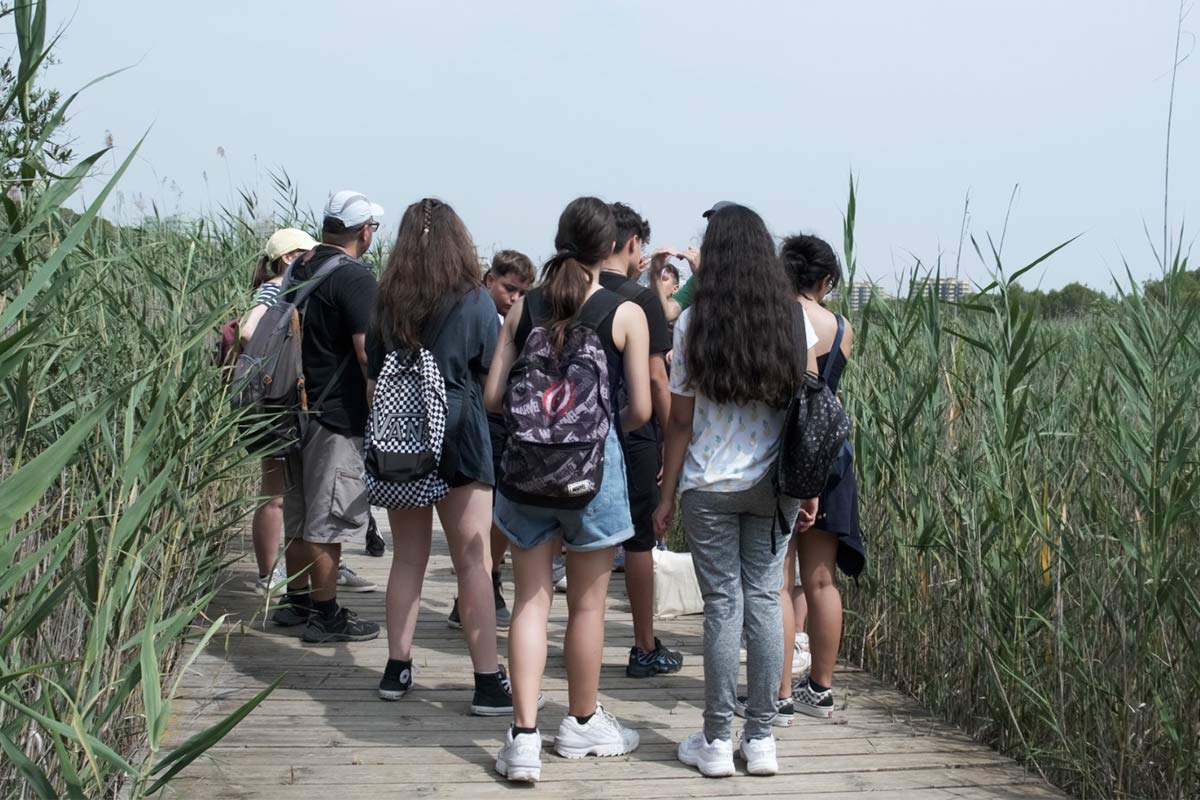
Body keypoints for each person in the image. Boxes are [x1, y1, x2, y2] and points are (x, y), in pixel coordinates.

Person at [486, 197, 650, 782]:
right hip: (593, 473)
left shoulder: (523, 309)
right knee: (587, 604)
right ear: (609, 248)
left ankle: (523, 737)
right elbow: (642, 409)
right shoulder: (623, 311)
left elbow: (491, 399)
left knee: (532, 600)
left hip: (526, 471)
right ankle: (581, 721)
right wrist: (593, 427)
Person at [653, 203, 819, 778]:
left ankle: (717, 741)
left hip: (707, 485)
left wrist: (666, 495)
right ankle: (763, 738)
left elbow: (678, 422)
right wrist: (808, 485)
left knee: (723, 607)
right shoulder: (790, 322)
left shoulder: (691, 324)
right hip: (773, 486)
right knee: (767, 600)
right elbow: (803, 410)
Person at [369, 198, 514, 716]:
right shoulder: (474, 300)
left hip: (401, 435)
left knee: (407, 556)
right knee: (472, 560)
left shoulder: (388, 301)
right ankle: (486, 682)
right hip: (459, 434)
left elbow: (373, 380)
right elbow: (490, 373)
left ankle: (396, 667)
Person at [271, 191, 384, 642]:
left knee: (299, 512)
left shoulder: (300, 267)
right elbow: (365, 352)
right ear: (365, 231)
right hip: (335, 414)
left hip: (291, 407)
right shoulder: (356, 279)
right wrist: (381, 410)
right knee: (326, 518)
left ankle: (295, 601)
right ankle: (326, 614)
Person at [777, 233, 864, 719]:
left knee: (778, 577)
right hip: (832, 453)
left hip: (789, 452)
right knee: (821, 579)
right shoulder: (843, 327)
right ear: (826, 279)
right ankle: (821, 688)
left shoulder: (779, 319)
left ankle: (780, 691)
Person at [602, 201, 683, 677]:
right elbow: (656, 380)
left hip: (563, 439)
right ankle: (643, 644)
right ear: (631, 244)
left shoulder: (555, 294)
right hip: (631, 434)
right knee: (637, 539)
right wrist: (674, 438)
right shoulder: (640, 300)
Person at [447, 249, 535, 631]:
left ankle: (488, 580)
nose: (514, 297)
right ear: (489, 280)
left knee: (499, 513)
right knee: (488, 516)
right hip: (482, 422)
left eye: (521, 292)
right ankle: (478, 589)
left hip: (504, 423)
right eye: (508, 288)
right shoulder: (481, 314)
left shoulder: (517, 320)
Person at [240, 227, 317, 596]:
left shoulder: (281, 288)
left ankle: (279, 570)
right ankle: (269, 574)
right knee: (274, 492)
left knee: (281, 491)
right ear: (289, 258)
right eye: (307, 254)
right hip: (275, 400)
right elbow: (248, 331)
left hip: (274, 398)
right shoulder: (275, 289)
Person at [652, 201, 736, 323]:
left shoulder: (750, 273)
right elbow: (668, 312)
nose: (712, 234)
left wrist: (701, 275)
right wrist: (655, 273)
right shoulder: (701, 274)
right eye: (710, 226)